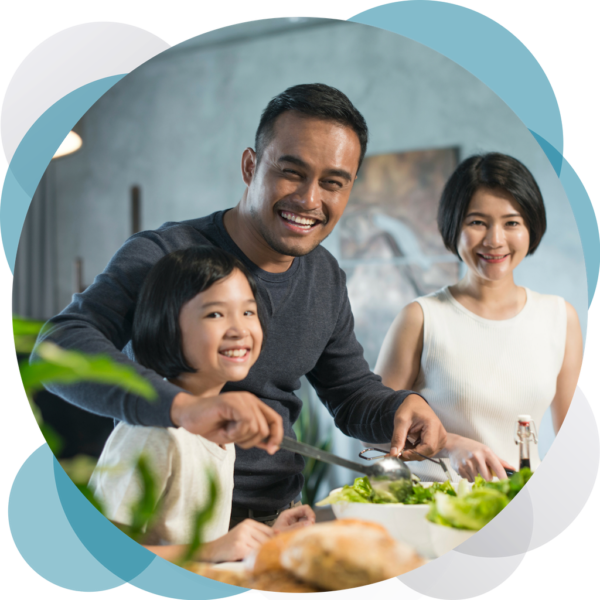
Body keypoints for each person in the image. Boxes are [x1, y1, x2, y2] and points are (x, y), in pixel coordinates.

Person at [34, 83, 446, 524]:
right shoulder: (165, 255)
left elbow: (348, 393)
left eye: (332, 183)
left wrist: (399, 407)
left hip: (280, 518)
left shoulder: (324, 275)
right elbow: (59, 348)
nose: (309, 200)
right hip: (175, 524)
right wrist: (185, 408)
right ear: (251, 166)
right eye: (292, 172)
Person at [89, 246, 315, 563]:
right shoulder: (151, 433)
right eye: (215, 314)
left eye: (248, 312)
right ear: (167, 325)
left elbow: (191, 545)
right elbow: (98, 552)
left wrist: (265, 539)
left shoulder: (220, 427)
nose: (239, 330)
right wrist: (214, 550)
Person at [373, 152, 584, 482]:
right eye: (477, 222)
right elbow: (371, 430)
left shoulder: (560, 317)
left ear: (531, 227)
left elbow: (576, 441)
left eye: (511, 222)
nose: (494, 240)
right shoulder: (421, 318)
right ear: (453, 226)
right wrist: (449, 445)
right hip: (436, 513)